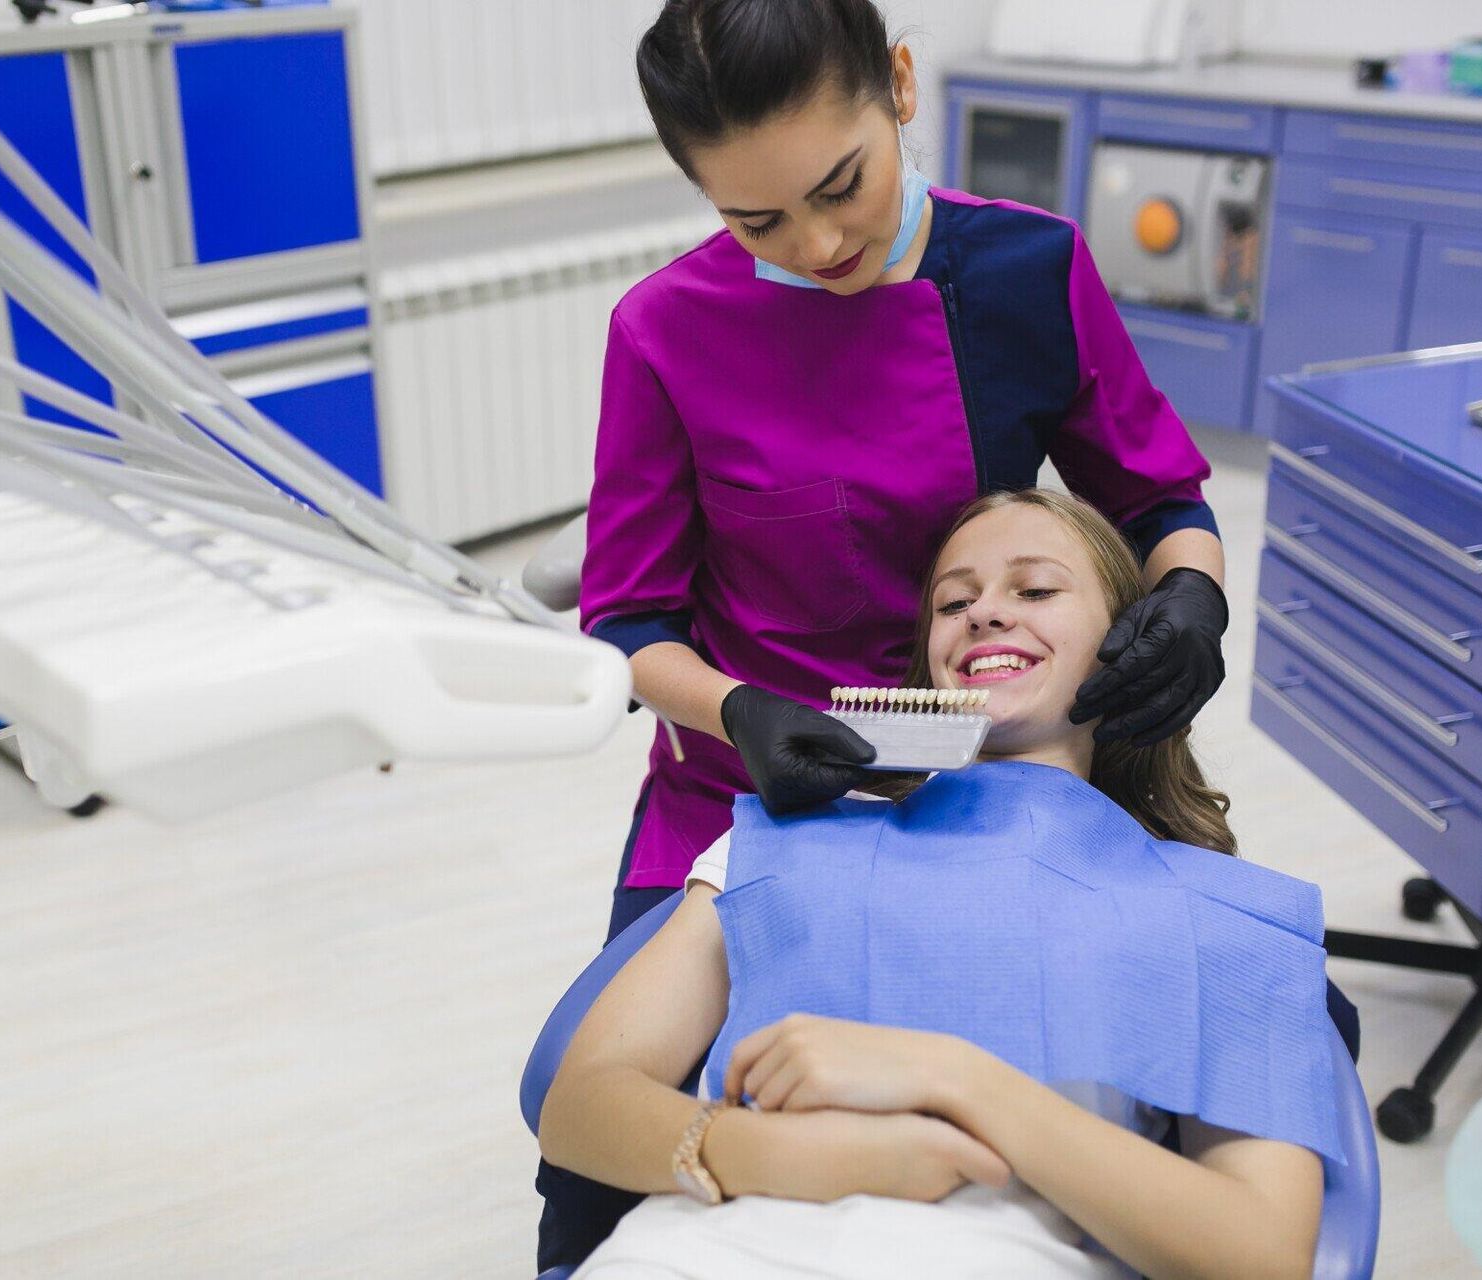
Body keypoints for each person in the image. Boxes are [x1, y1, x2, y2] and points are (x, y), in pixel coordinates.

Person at [544, 2, 1283, 1268]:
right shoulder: (666, 330)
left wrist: (1196, 595)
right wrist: (737, 712)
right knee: (589, 1186)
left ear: (899, 83)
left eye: (843, 185)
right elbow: (631, 619)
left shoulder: (1024, 273)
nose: (821, 242)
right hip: (746, 796)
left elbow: (1160, 496)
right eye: (757, 219)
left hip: (990, 778)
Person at [540, 490, 1340, 1280]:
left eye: (1035, 589)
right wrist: (789, 1152)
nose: (985, 613)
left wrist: (954, 1078)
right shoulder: (789, 838)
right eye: (955, 601)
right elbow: (578, 1106)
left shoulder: (1221, 911)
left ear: (1133, 641)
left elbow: (1263, 1255)